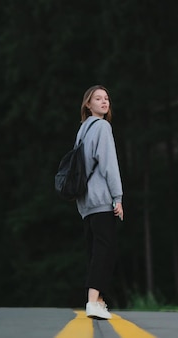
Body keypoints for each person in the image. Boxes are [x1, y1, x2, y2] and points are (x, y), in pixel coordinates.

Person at [75, 85, 124, 320]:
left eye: (106, 98)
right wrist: (118, 197)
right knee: (106, 249)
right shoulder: (103, 127)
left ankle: (99, 301)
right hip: (101, 198)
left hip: (85, 201)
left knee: (94, 250)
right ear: (88, 104)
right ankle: (93, 301)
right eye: (98, 98)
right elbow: (108, 164)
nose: (104, 102)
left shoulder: (82, 130)